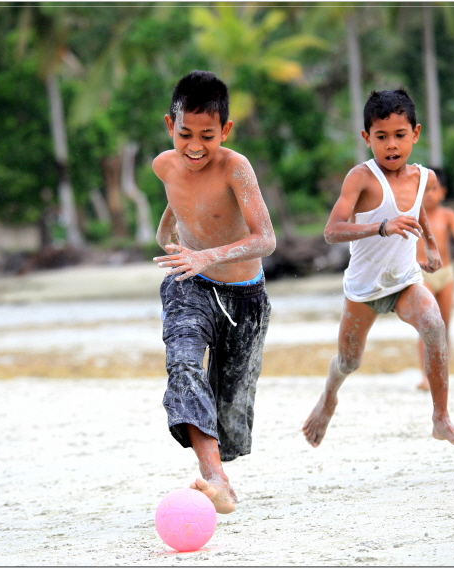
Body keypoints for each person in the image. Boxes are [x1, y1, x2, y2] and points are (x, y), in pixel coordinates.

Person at [302, 88, 454, 448]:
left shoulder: (424, 178)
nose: (391, 145)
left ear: (416, 134)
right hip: (364, 290)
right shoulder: (360, 178)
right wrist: (381, 226)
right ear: (367, 138)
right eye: (381, 137)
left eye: (399, 135)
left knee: (433, 325)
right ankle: (328, 399)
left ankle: (440, 418)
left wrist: (427, 242)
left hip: (405, 282)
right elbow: (332, 231)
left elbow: (417, 211)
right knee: (349, 362)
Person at [151, 70, 276, 514]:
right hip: (190, 285)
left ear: (225, 130)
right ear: (171, 126)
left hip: (246, 298)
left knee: (231, 418)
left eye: (208, 135)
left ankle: (219, 465)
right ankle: (216, 480)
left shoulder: (236, 168)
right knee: (183, 364)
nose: (195, 146)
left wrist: (209, 254)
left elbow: (266, 239)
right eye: (185, 134)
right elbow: (177, 205)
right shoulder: (164, 165)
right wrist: (176, 242)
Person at [414, 169, 454, 391]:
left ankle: (442, 371)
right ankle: (424, 374)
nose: (430, 194)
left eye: (434, 189)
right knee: (427, 324)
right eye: (425, 189)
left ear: (444, 192)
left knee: (444, 327)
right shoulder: (413, 214)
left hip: (446, 274)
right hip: (422, 274)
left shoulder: (448, 215)